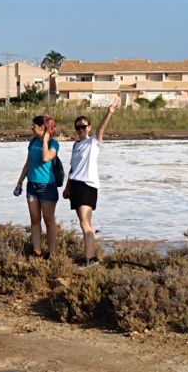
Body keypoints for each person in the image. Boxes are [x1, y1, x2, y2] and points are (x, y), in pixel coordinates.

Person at [63, 98, 121, 265]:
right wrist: (67, 187)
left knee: (85, 223)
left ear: (89, 127)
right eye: (78, 127)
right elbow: (73, 168)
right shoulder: (76, 145)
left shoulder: (92, 142)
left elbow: (101, 128)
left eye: (84, 126)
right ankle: (90, 256)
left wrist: (109, 112)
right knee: (85, 223)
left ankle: (90, 259)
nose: (81, 129)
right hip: (75, 185)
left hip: (87, 185)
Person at [15, 115, 60, 258]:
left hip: (47, 187)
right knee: (34, 219)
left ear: (43, 128)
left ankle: (52, 252)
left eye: (34, 126)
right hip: (32, 185)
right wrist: (20, 181)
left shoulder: (54, 144)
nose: (31, 128)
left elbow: (45, 158)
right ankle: (37, 250)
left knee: (48, 220)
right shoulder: (33, 142)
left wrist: (45, 140)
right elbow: (28, 163)